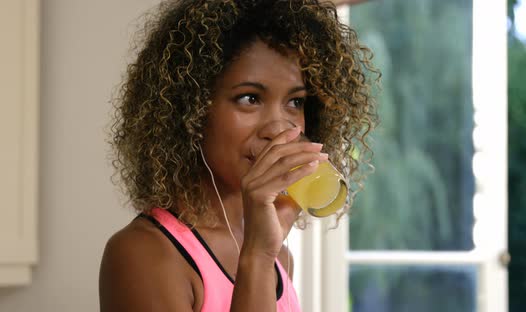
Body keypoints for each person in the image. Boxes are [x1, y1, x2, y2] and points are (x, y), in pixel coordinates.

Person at [99, 0, 378, 311]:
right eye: (250, 98)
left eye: (295, 102)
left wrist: (263, 253)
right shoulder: (144, 254)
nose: (278, 129)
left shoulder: (279, 257)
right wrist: (257, 256)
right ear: (190, 111)